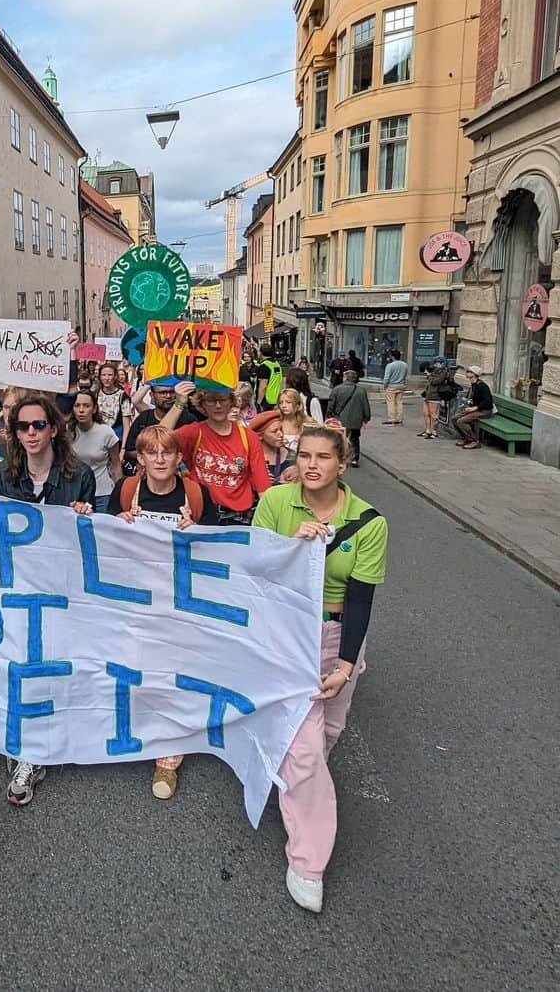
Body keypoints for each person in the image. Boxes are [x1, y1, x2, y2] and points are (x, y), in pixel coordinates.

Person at [252, 424, 388, 912]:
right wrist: (293, 545)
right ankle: (308, 861)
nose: (312, 464)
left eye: (323, 457)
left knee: (328, 731)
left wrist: (347, 663)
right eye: (304, 455)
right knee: (304, 747)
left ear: (341, 464)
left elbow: (360, 597)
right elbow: (254, 571)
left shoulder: (369, 522)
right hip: (287, 631)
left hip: (336, 634)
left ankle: (291, 785)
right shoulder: (275, 502)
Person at [0, 393, 96, 805]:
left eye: (38, 425)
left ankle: (46, 740)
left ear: (53, 428)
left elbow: (95, 537)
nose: (30, 433)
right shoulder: (7, 473)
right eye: (22, 426)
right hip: (18, 585)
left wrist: (86, 516)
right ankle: (29, 747)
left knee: (51, 665)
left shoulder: (79, 474)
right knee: (22, 663)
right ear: (14, 433)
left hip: (61, 588)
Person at [107, 424, 217, 800]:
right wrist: (116, 523)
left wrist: (198, 530)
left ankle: (168, 756)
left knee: (174, 673)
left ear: (178, 458)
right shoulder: (124, 492)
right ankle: (137, 730)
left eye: (166, 452)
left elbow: (222, 549)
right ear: (139, 458)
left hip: (180, 602)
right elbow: (100, 544)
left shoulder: (196, 494)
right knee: (135, 668)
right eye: (150, 453)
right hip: (135, 601)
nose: (159, 459)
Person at [161, 384, 271, 525]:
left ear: (231, 402)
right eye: (211, 400)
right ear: (202, 404)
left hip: (237, 515)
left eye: (223, 400)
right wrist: (179, 403)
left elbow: (263, 486)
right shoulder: (194, 432)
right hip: (201, 510)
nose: (218, 405)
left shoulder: (249, 437)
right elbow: (157, 439)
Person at [69, 388, 122, 513]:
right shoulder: (67, 432)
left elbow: (116, 463)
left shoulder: (106, 432)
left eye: (86, 406)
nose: (81, 410)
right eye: (77, 406)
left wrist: (119, 492)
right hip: (76, 493)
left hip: (102, 493)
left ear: (94, 409)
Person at [124, 382, 200, 468]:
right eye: (163, 392)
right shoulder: (143, 418)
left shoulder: (189, 419)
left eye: (172, 392)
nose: (168, 396)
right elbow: (129, 452)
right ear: (152, 395)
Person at [328, 370, 371, 466]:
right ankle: (354, 458)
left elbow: (331, 404)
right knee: (355, 439)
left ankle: (340, 456)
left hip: (340, 419)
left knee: (340, 438)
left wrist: (329, 416)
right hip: (356, 420)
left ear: (345, 378)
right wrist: (366, 418)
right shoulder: (361, 390)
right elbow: (365, 405)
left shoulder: (337, 389)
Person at [453, 366, 494, 449]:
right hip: (475, 409)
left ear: (474, 374)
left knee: (461, 421)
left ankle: (474, 441)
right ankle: (466, 437)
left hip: (484, 411)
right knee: (454, 418)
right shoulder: (473, 385)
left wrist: (475, 408)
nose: (467, 372)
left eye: (469, 371)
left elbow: (488, 402)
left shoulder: (482, 386)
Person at [249, 409, 293, 483]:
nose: (281, 434)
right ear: (260, 436)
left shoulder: (292, 457)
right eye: (274, 431)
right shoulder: (249, 459)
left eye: (281, 429)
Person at [96, 362, 134, 443]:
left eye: (110, 375)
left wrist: (123, 448)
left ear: (115, 376)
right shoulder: (95, 394)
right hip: (98, 439)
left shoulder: (123, 396)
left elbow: (126, 426)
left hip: (116, 439)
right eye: (104, 375)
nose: (106, 378)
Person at [419, 361, 449, 440]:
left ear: (442, 364)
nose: (435, 365)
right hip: (428, 395)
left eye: (437, 363)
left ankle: (434, 431)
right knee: (426, 413)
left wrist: (429, 375)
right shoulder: (434, 371)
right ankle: (427, 430)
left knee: (433, 414)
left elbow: (435, 381)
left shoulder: (443, 372)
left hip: (435, 396)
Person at [276, 389, 307, 458]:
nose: (283, 406)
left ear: (297, 405)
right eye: (281, 403)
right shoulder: (276, 422)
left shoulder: (307, 422)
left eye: (288, 402)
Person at [381, 350, 409, 425]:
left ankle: (392, 418)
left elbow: (386, 378)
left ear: (392, 356)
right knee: (399, 402)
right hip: (401, 385)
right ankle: (399, 418)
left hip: (391, 385)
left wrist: (385, 385)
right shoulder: (405, 365)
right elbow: (406, 377)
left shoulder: (390, 365)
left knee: (391, 402)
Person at [256, 344, 283, 408]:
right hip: (276, 399)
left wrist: (258, 403)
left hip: (266, 401)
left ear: (261, 353)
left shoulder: (264, 366)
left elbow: (263, 387)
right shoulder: (276, 364)